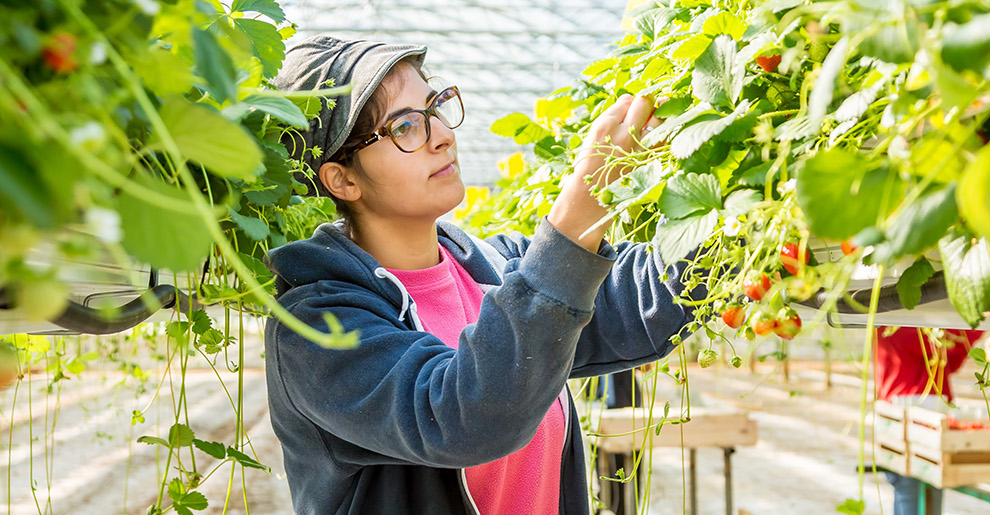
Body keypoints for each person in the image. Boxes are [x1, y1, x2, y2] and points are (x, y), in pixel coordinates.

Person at [262, 36, 698, 515]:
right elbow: (465, 419)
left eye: (435, 107)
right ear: (342, 179)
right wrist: (573, 224)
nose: (442, 135)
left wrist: (742, 212)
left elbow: (638, 302)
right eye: (404, 126)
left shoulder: (494, 269)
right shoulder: (317, 328)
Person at [873, 326, 990, 515]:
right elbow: (943, 342)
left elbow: (950, 358)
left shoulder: (918, 326)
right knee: (908, 487)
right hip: (905, 424)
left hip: (925, 425)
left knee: (928, 490)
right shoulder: (895, 323)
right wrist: (980, 321)